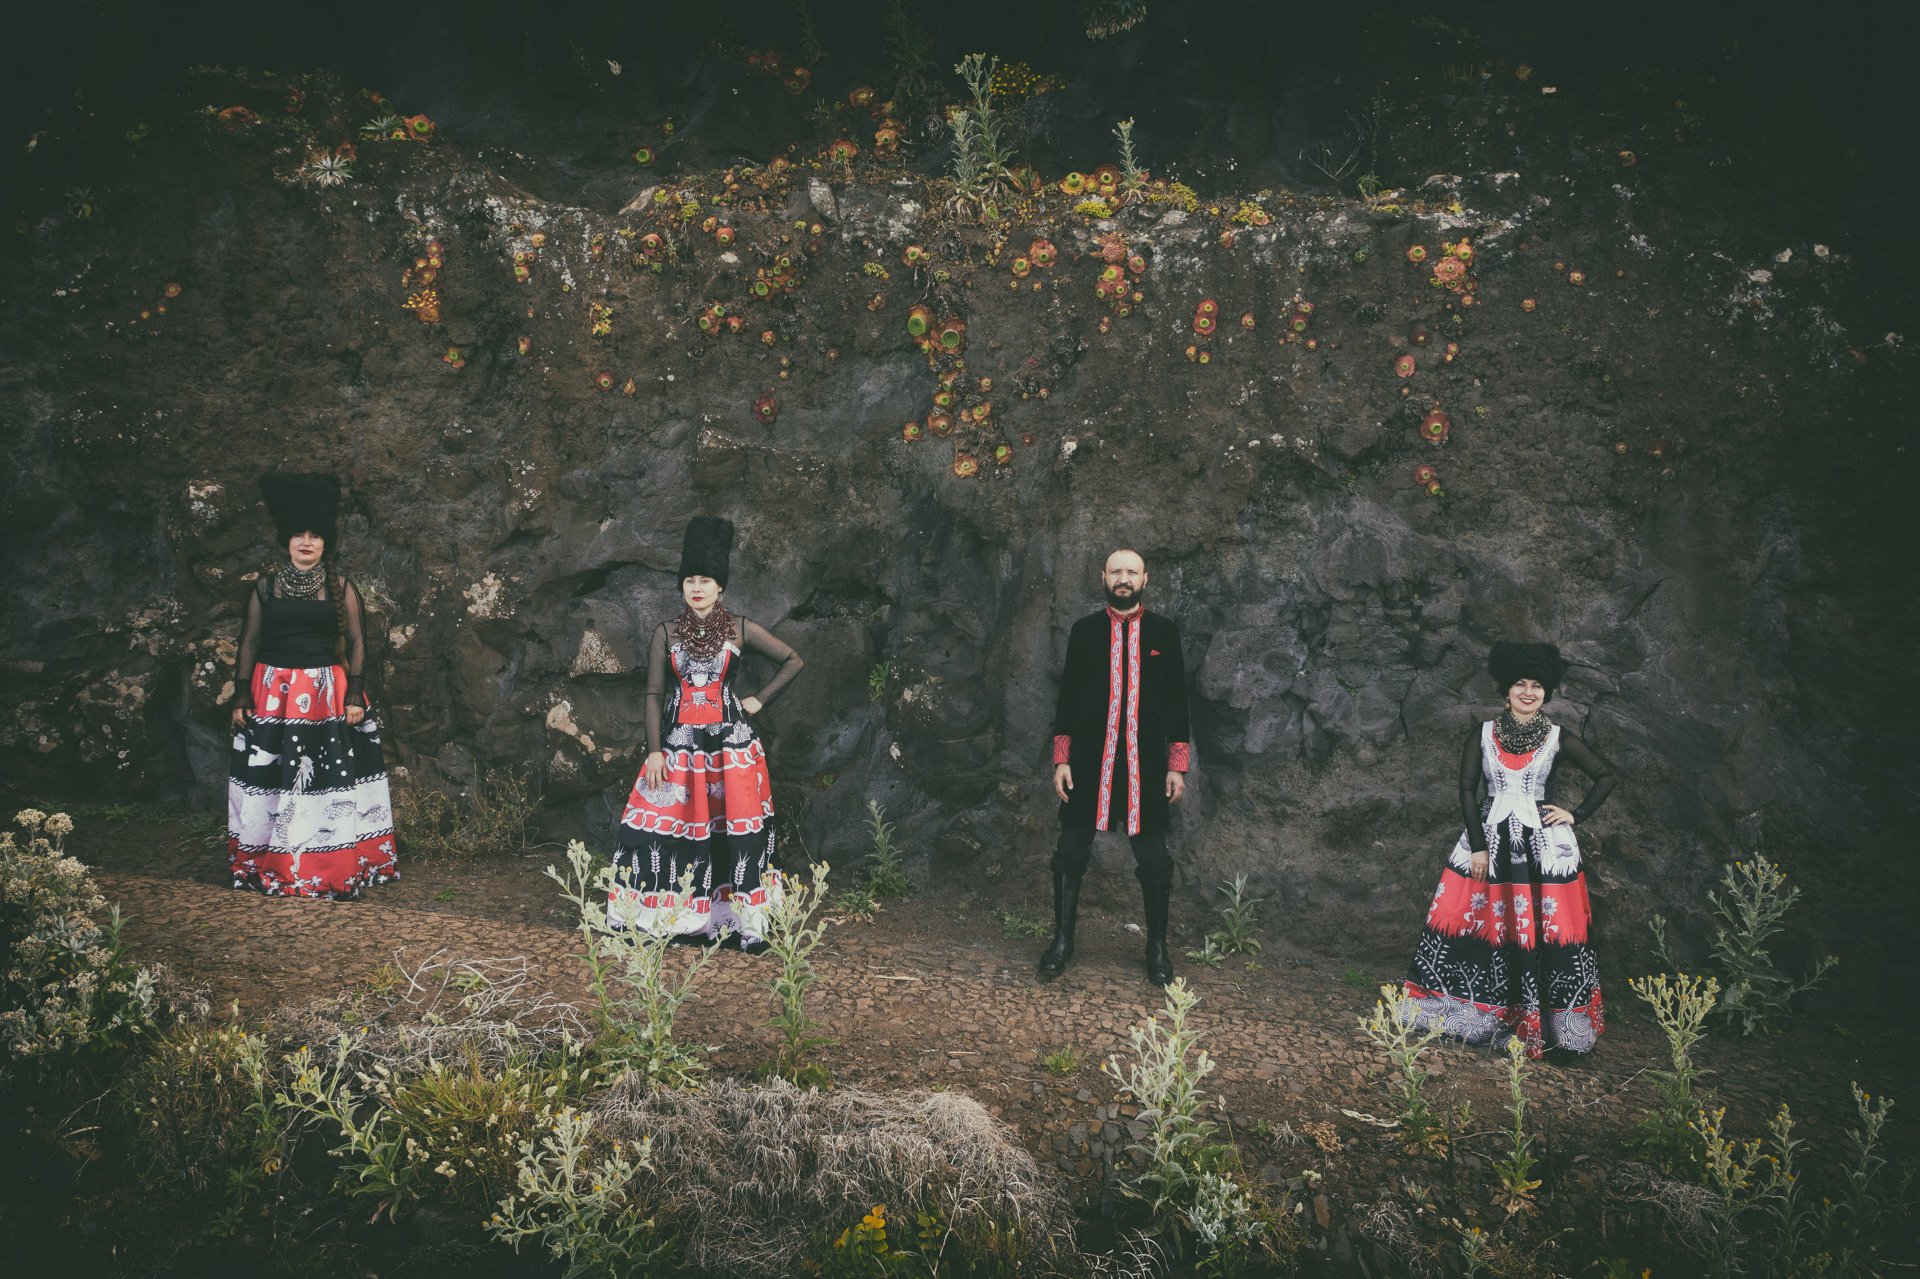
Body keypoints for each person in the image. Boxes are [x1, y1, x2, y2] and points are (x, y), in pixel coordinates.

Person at [1402, 641, 1617, 1057]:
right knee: (1469, 921)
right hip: (1489, 845)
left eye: (1537, 685)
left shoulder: (1557, 738)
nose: (1528, 692)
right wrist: (1478, 848)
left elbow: (1605, 776)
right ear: (1505, 690)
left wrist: (1576, 814)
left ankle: (1548, 1025)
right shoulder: (1483, 733)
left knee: (1545, 932)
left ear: (1546, 693)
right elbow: (1466, 789)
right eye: (1520, 684)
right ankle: (1473, 1014)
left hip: (1542, 851)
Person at [610, 516, 804, 949]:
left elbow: (793, 660)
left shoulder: (740, 628)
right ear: (682, 587)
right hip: (680, 747)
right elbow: (655, 694)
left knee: (732, 831)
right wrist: (655, 751)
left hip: (732, 747)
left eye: (706, 580)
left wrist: (758, 701)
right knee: (670, 829)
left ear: (721, 587)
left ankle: (737, 921)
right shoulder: (667, 633)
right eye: (690, 580)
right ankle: (680, 919)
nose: (697, 587)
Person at [228, 473, 397, 898]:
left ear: (325, 544)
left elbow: (358, 640)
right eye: (299, 535)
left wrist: (355, 693)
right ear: (287, 541)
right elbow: (249, 640)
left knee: (321, 781)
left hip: (326, 693)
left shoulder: (341, 587)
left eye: (315, 536)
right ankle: (270, 860)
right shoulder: (264, 588)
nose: (306, 542)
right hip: (274, 694)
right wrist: (243, 692)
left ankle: (326, 863)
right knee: (274, 777)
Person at [1039, 549, 1194, 984]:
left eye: (1131, 571)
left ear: (1145, 578)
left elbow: (1177, 703)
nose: (1123, 578)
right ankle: (1062, 941)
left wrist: (1176, 765)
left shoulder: (1164, 631)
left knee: (1153, 858)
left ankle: (1157, 949)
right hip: (1090, 760)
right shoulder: (1084, 631)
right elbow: (1067, 696)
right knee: (1070, 851)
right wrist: (1062, 758)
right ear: (1102, 577)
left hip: (1145, 763)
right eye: (1116, 571)